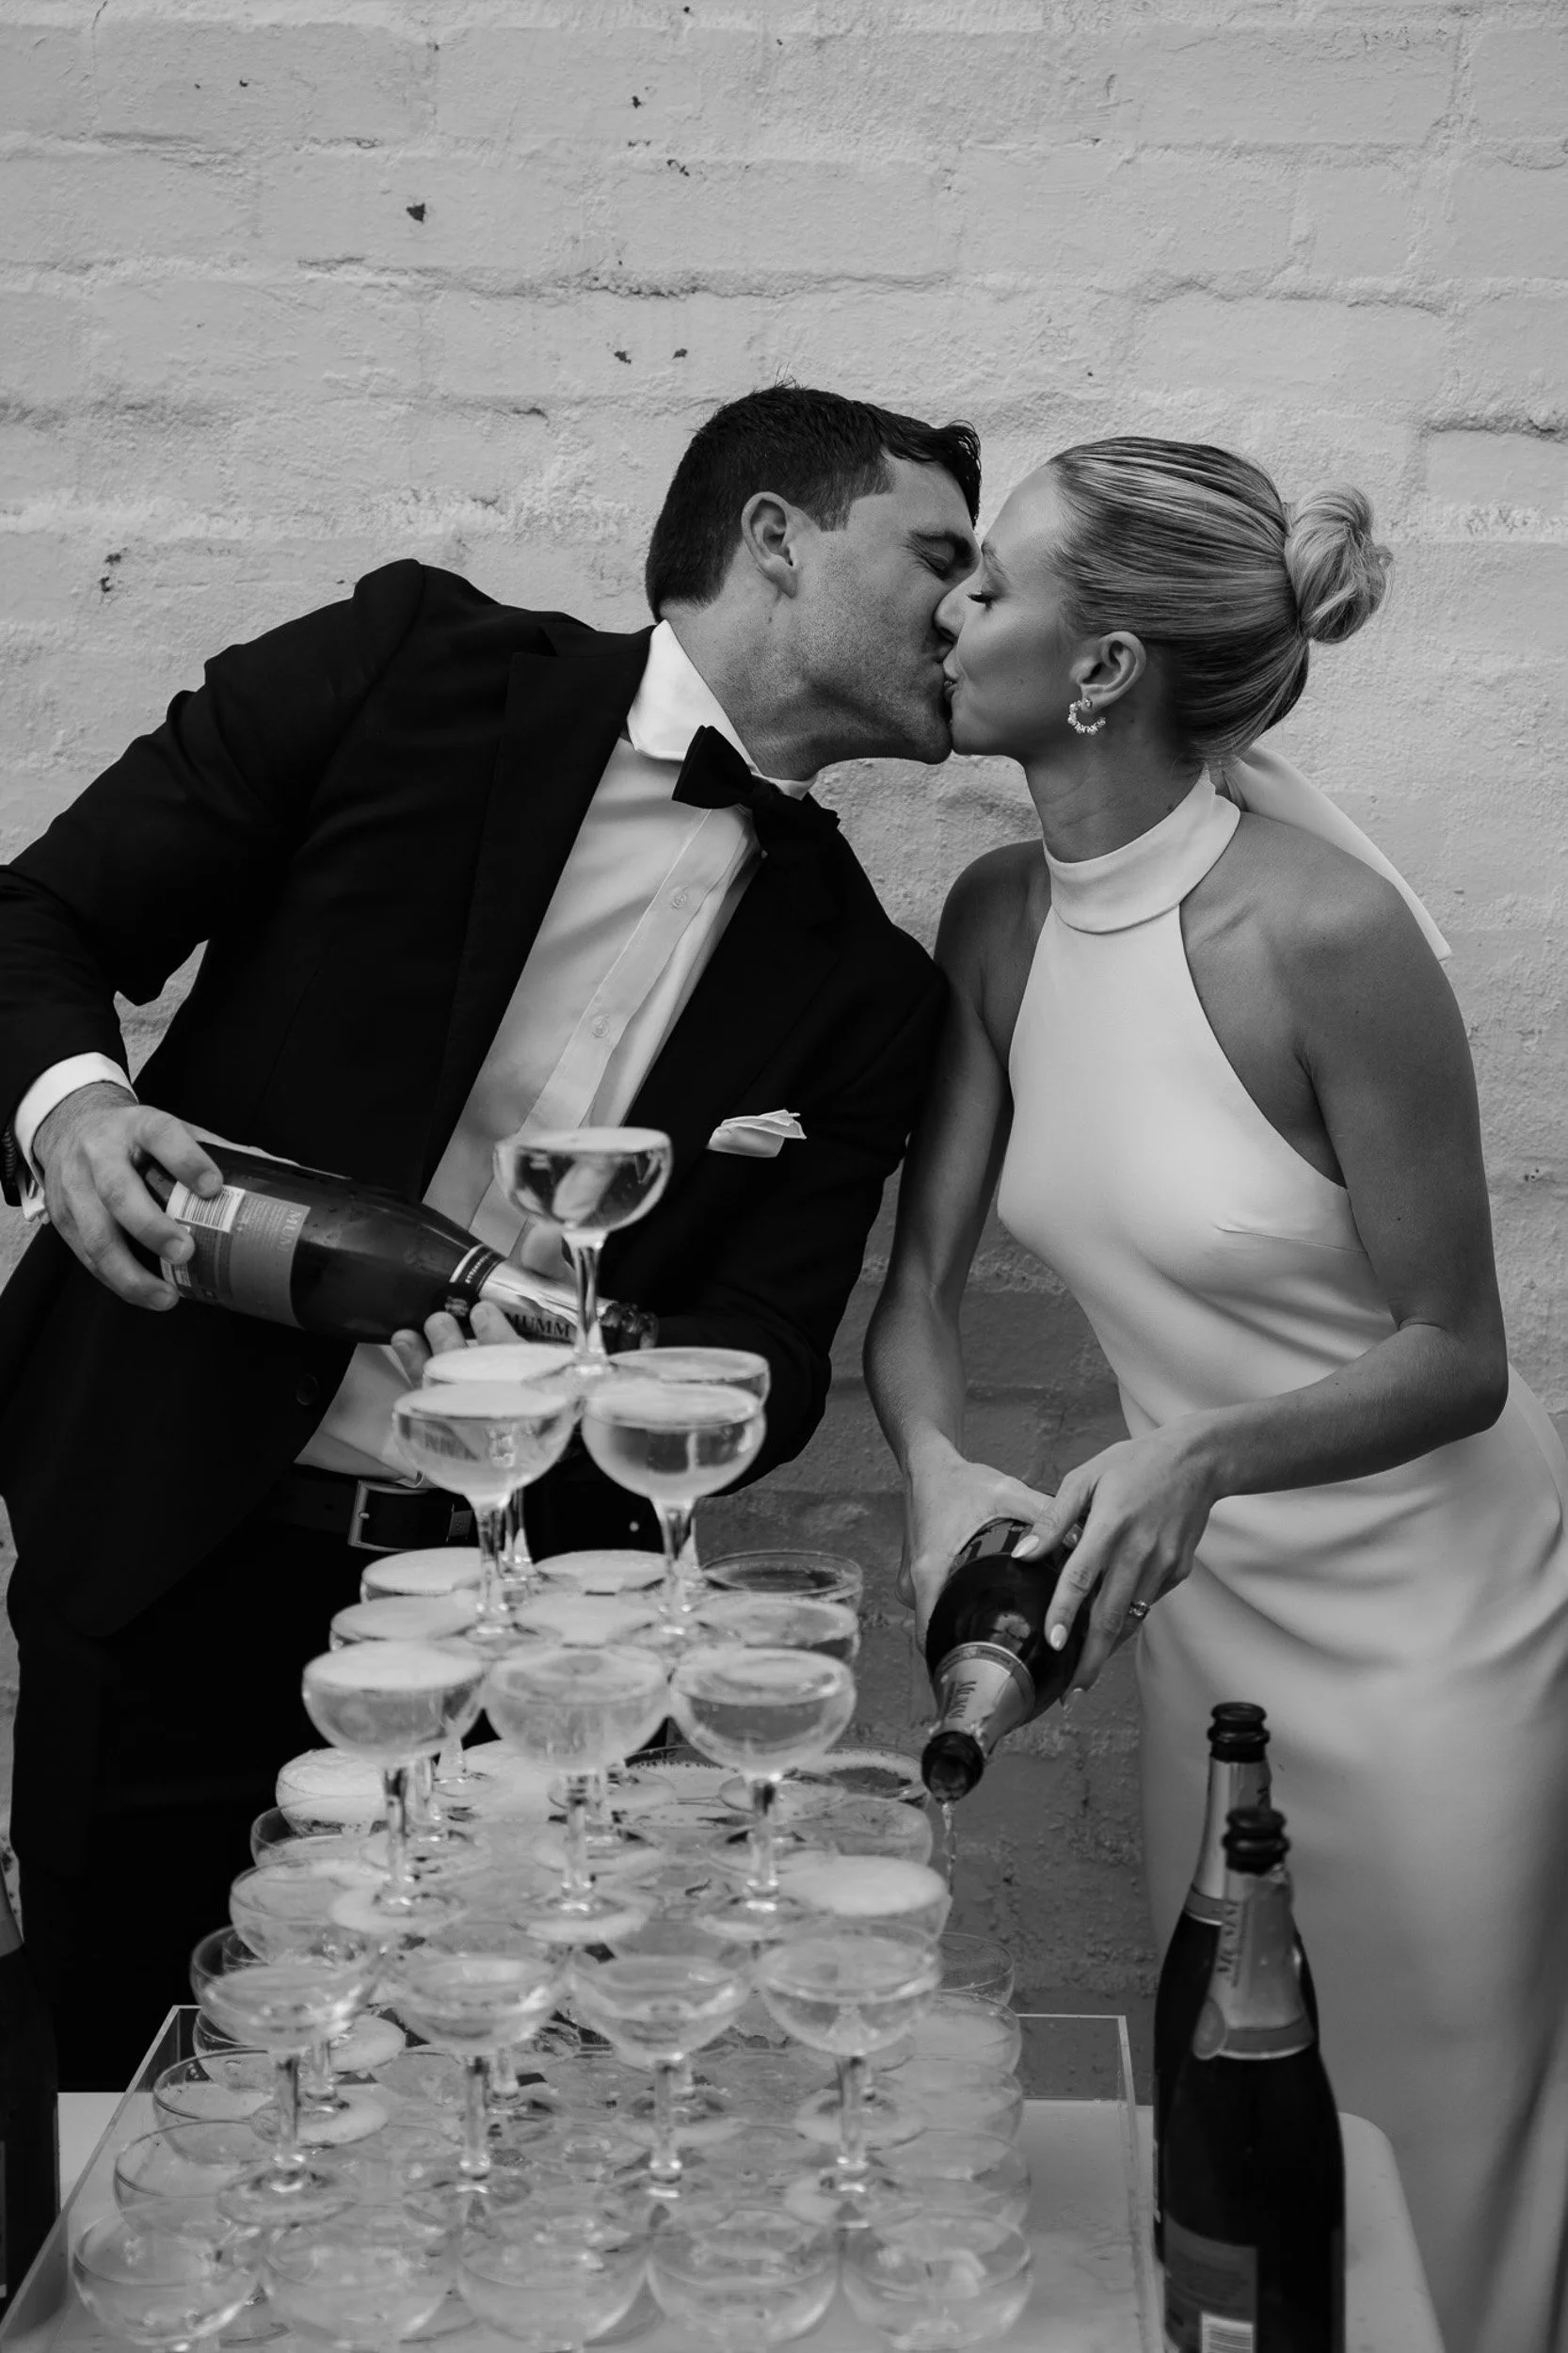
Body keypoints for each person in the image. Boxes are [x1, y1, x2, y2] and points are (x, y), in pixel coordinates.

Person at [0, 384, 981, 2086]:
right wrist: (78, 1111)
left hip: (529, 1655)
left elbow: (777, 1349)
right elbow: (40, 915)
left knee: (461, 2115)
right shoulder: (406, 669)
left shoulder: (872, 993)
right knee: (115, 2088)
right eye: (936, 557)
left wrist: (621, 1374)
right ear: (776, 537)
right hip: (169, 1548)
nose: (966, 609)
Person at [864, 436, 1568, 2352]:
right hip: (1202, 1626)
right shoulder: (998, 919)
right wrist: (930, 1472)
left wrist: (1199, 1447)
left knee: (1431, 2162)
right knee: (1236, 2153)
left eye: (988, 583)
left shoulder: (1321, 934)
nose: (946, 605)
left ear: (1096, 669)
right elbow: (913, 1292)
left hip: (1433, 1640)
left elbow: (1452, 1353)